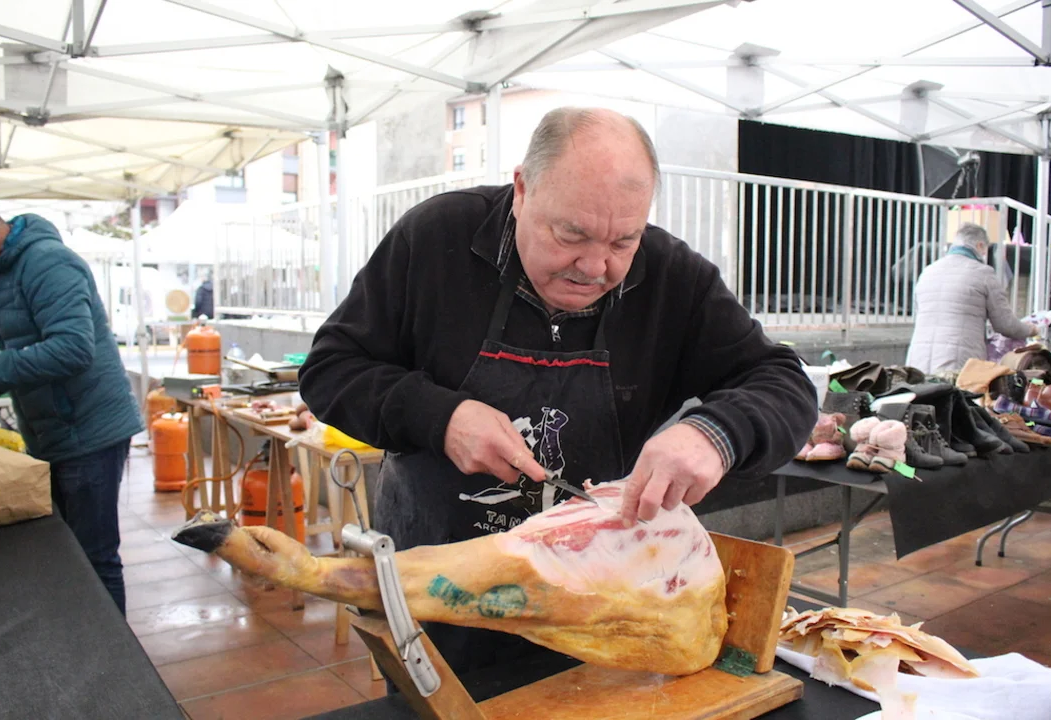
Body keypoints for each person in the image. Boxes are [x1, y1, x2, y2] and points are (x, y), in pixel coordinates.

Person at [299, 108, 817, 676]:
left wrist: (716, 434)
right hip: (438, 592)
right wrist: (440, 417)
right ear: (522, 190)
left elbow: (782, 380)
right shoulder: (435, 239)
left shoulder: (674, 279)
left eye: (623, 240)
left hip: (602, 609)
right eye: (571, 234)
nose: (594, 267)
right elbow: (331, 368)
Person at [0, 192, 143, 616]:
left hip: (89, 430)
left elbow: (73, 348)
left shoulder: (47, 262)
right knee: (67, 554)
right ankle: (84, 642)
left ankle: (112, 654)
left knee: (94, 558)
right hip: (52, 430)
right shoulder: (2, 271)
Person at [906, 222, 1038, 375]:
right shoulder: (983, 274)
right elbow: (1005, 324)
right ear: (980, 245)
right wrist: (1030, 329)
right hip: (958, 362)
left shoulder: (928, 272)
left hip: (918, 361)